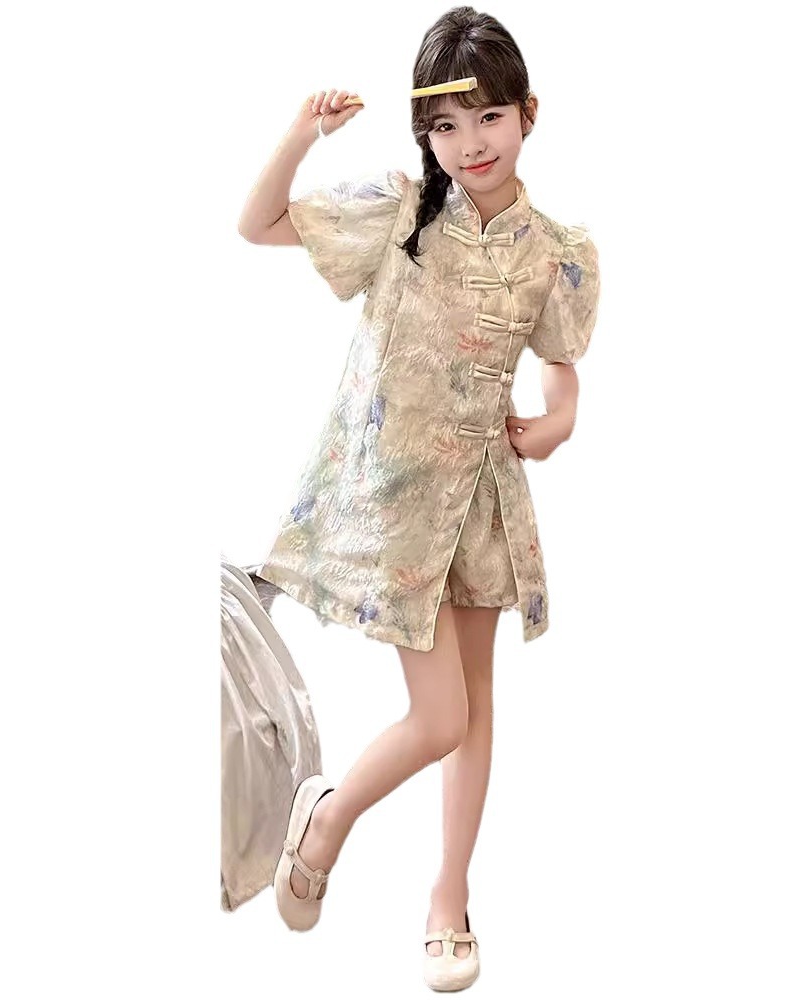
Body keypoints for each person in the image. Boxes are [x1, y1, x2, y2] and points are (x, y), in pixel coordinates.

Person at [237, 6, 600, 991]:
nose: (470, 143)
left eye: (488, 118)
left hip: (481, 504)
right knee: (438, 718)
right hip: (397, 500)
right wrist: (303, 132)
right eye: (446, 125)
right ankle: (328, 819)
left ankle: (449, 897)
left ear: (528, 114)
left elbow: (561, 367)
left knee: (475, 711)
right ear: (424, 135)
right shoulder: (399, 215)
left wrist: (559, 420)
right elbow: (257, 223)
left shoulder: (555, 252)